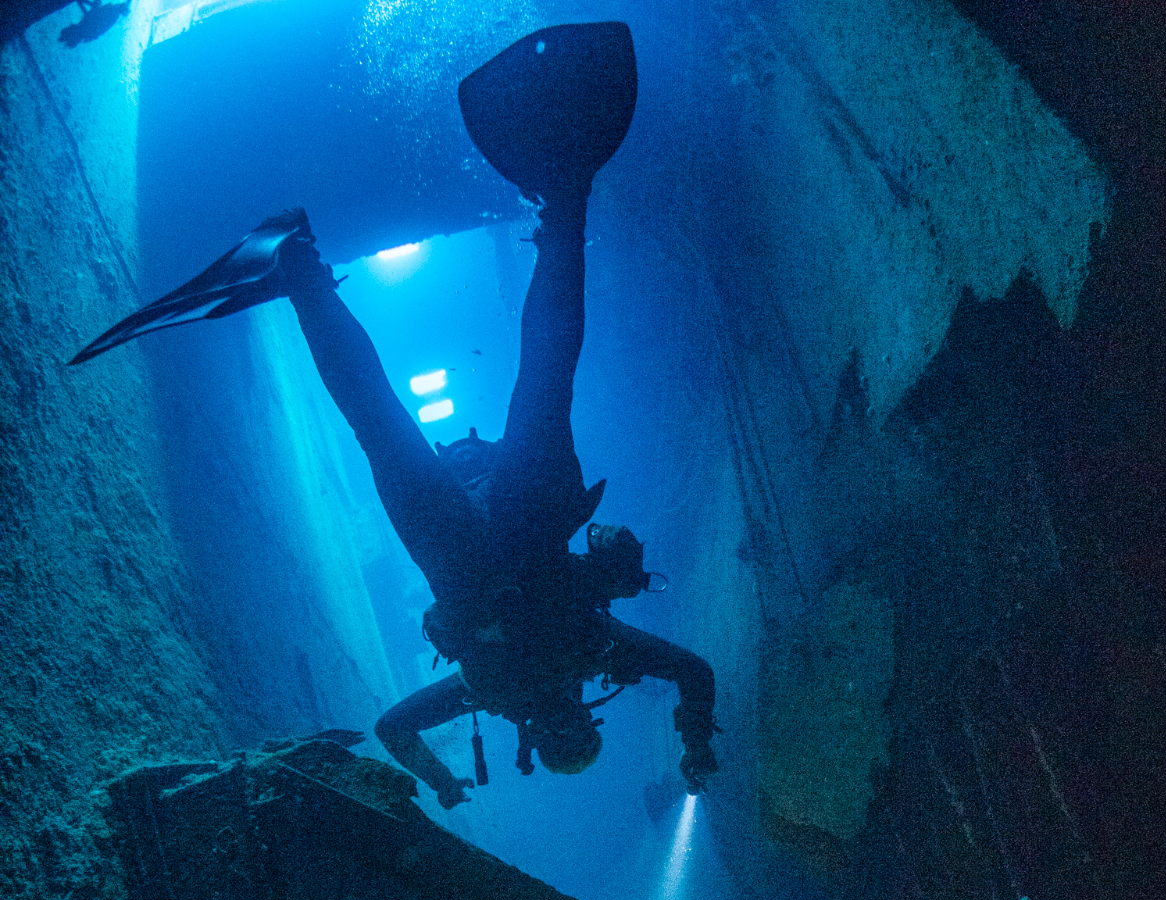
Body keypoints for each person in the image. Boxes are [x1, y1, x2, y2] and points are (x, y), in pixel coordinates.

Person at [71, 24, 719, 809]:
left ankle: (329, 263)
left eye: (558, 741)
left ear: (540, 740)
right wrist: (692, 744)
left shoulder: (557, 665)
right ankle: (315, 266)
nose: (561, 725)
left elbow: (393, 726)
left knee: (509, 389)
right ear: (582, 721)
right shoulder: (584, 653)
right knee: (459, 402)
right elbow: (691, 673)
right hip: (497, 540)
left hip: (481, 548)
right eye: (575, 734)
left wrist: (445, 779)